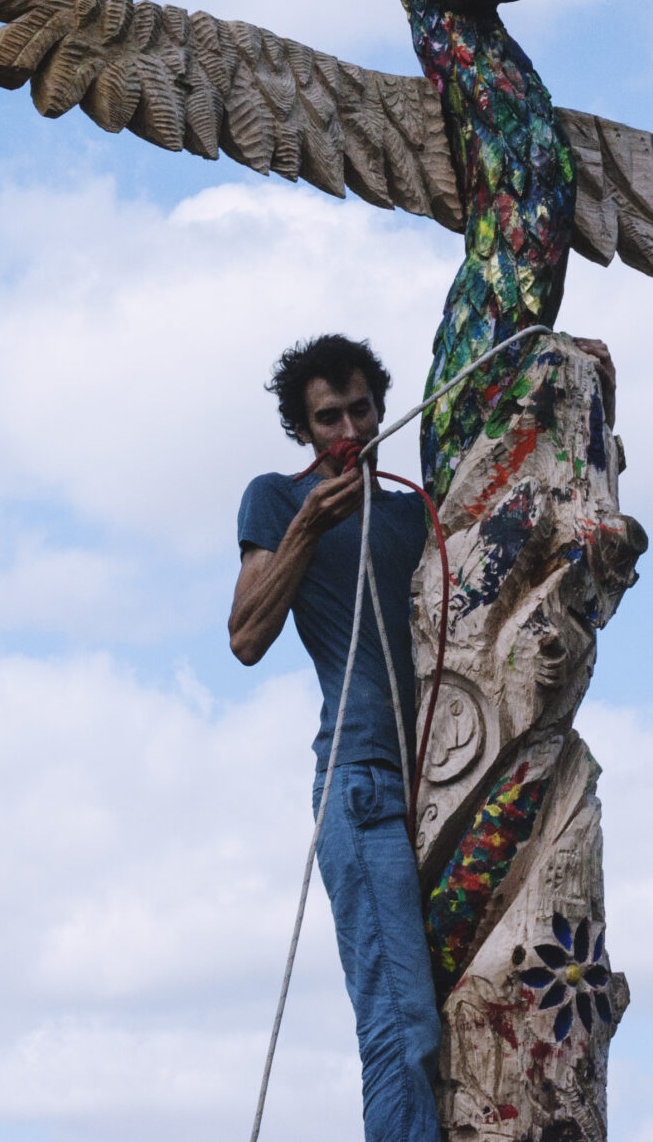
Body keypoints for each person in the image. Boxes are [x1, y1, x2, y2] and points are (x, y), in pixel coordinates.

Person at [229, 333, 440, 1142]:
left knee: (458, 1016)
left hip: (443, 777)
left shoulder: (417, 511)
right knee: (401, 1026)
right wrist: (310, 528)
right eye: (327, 418)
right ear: (302, 430)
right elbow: (246, 637)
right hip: (362, 787)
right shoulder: (278, 500)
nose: (347, 427)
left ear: (382, 409)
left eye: (359, 409)